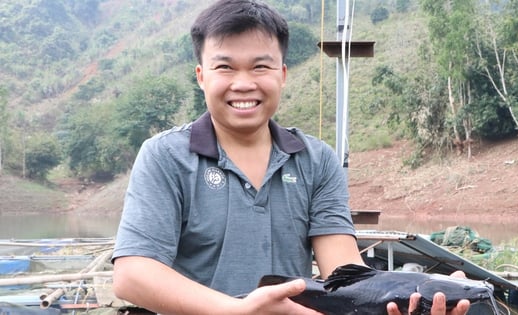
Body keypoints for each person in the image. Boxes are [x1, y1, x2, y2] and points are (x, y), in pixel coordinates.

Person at [111, 1, 470, 314]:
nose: (243, 83)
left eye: (260, 67)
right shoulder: (165, 156)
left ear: (282, 75)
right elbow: (133, 276)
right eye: (225, 67)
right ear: (201, 77)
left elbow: (344, 273)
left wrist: (412, 294)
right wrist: (237, 311)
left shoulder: (316, 159)